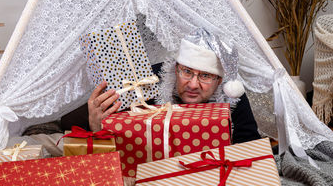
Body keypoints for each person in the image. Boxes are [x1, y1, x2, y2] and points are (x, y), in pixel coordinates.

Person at [84, 28, 261, 144]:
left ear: (220, 81)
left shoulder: (232, 95)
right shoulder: (147, 83)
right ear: (175, 69)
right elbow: (118, 139)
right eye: (186, 71)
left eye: (205, 75)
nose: (193, 84)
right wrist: (95, 126)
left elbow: (250, 145)